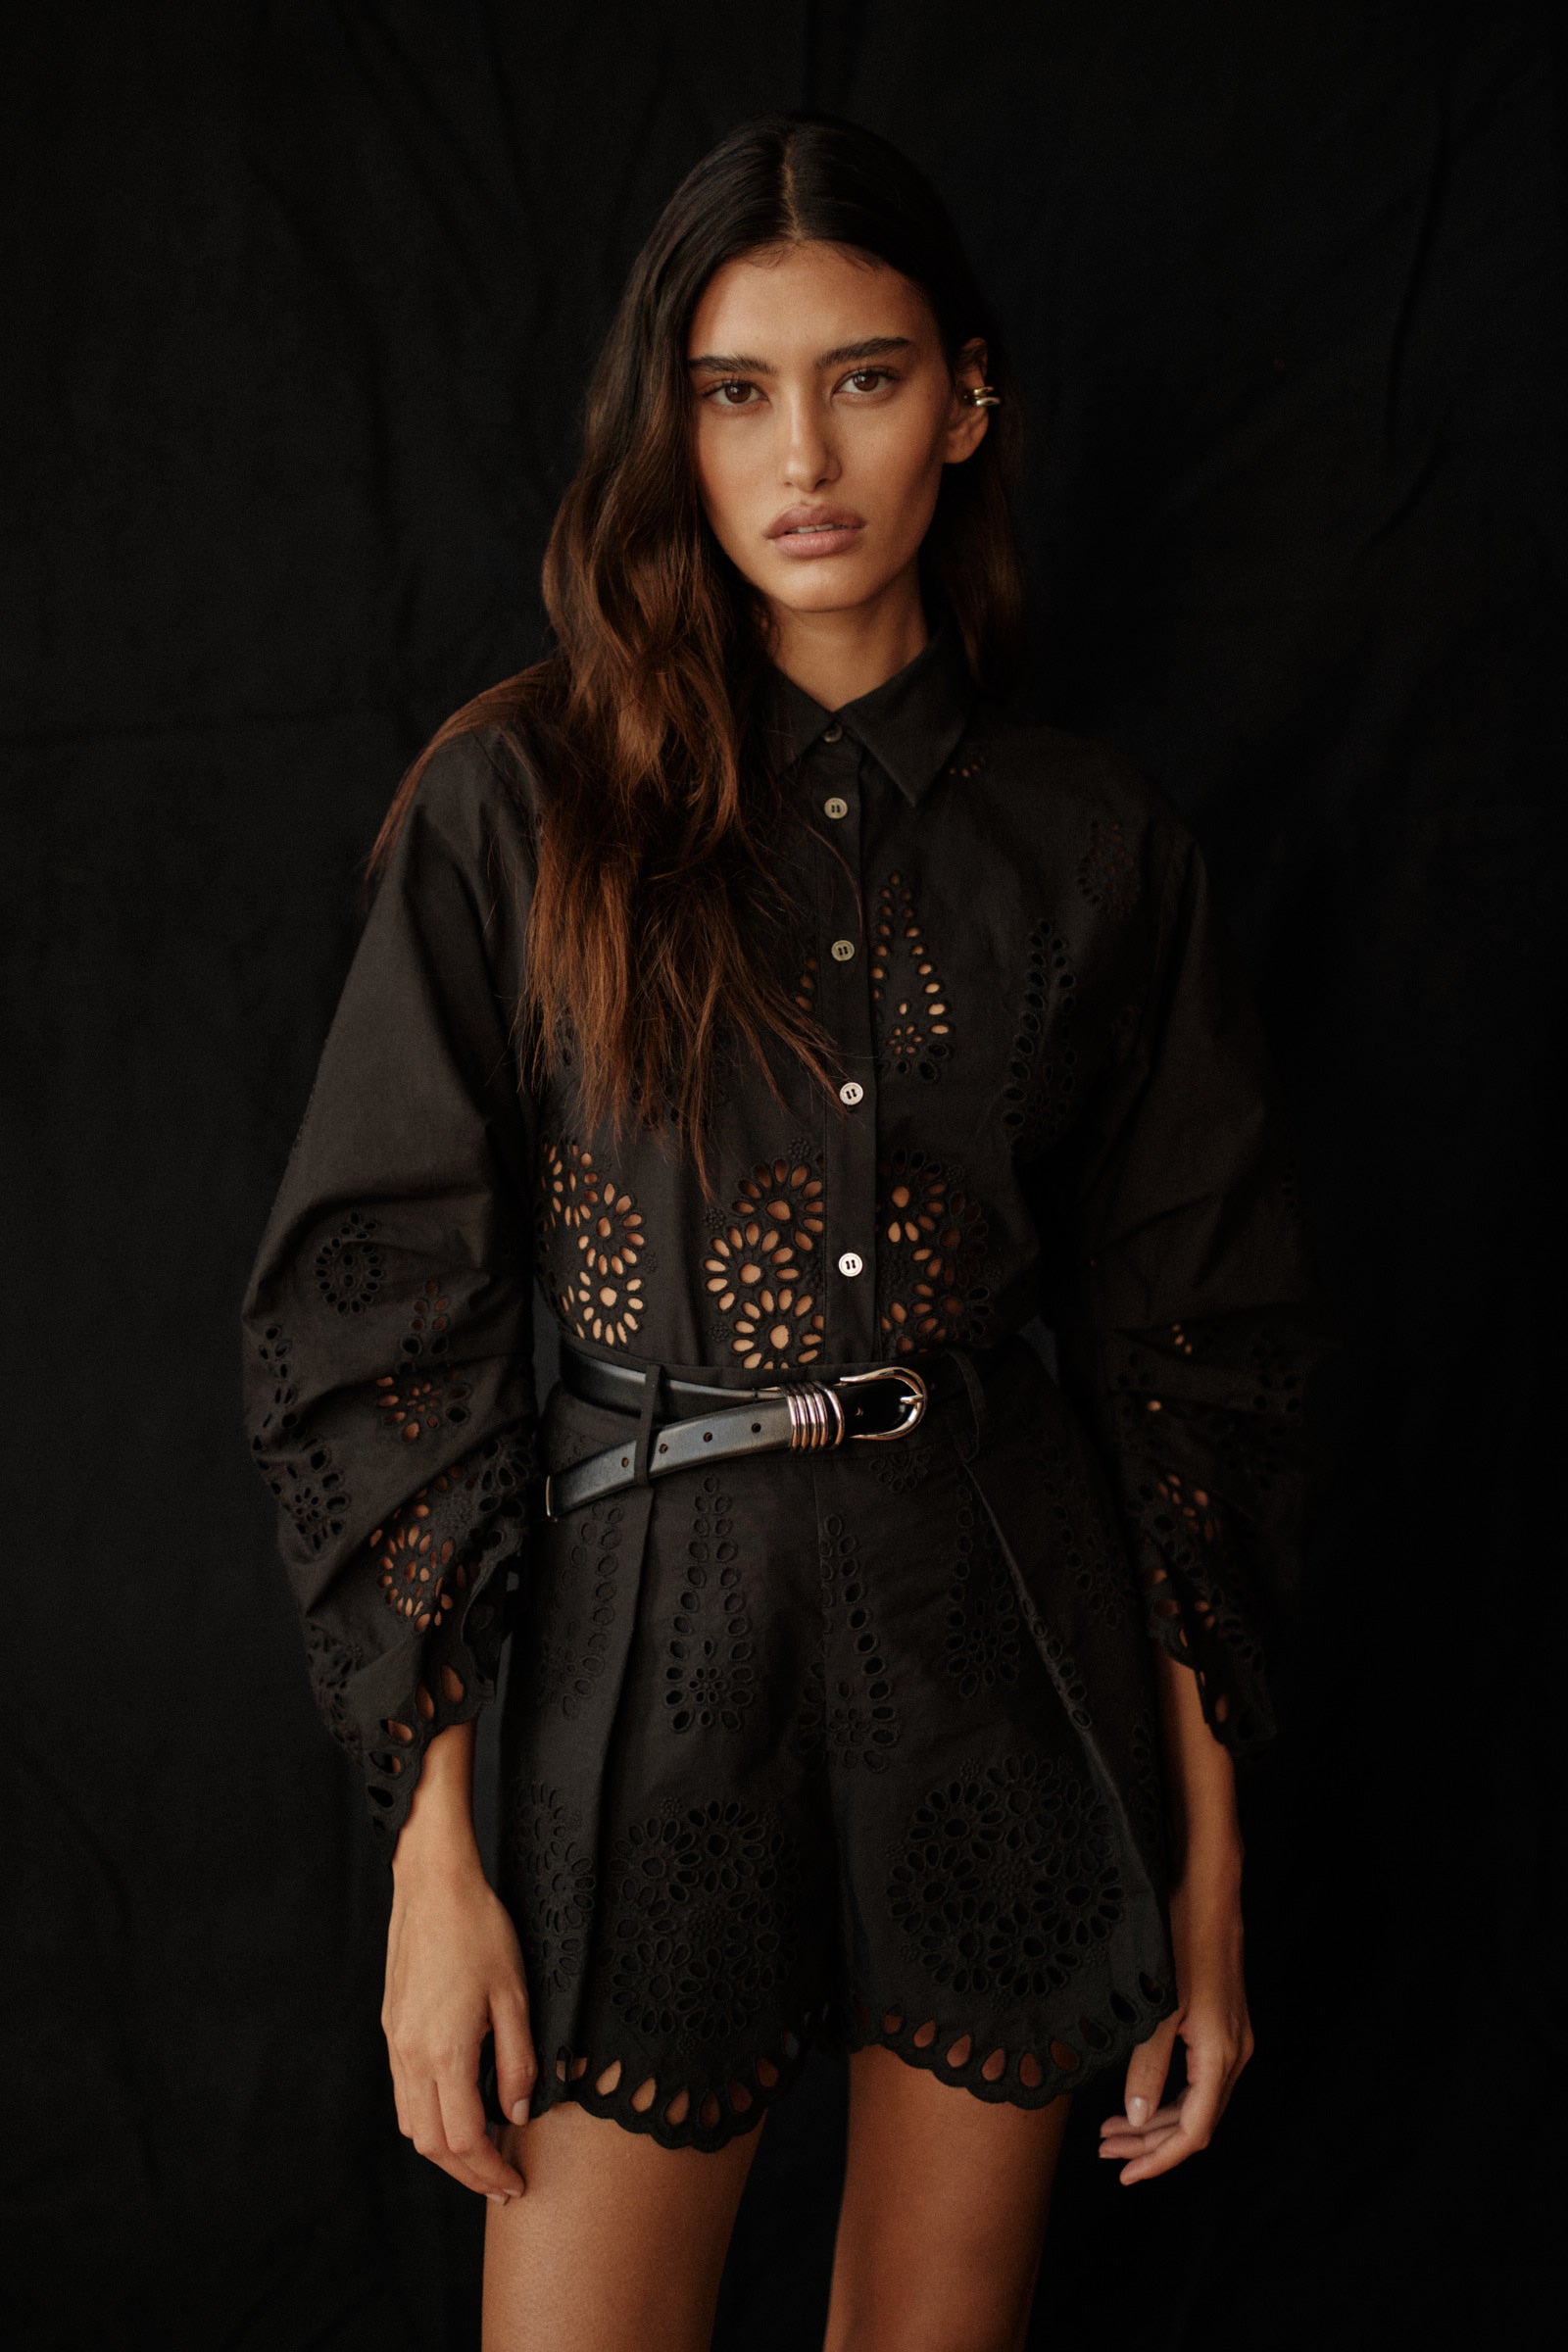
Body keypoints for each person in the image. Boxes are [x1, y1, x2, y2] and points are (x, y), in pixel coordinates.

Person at [239, 111, 1333, 2352]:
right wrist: (429, 1868)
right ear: (673, 429)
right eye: (733, 393)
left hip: (1004, 1660)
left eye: (863, 377)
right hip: (643, 1684)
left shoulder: (1092, 848)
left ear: (966, 400)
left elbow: (1195, 1368)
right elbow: (380, 1329)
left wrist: (1206, 1884)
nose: (801, 456)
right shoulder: (522, 809)